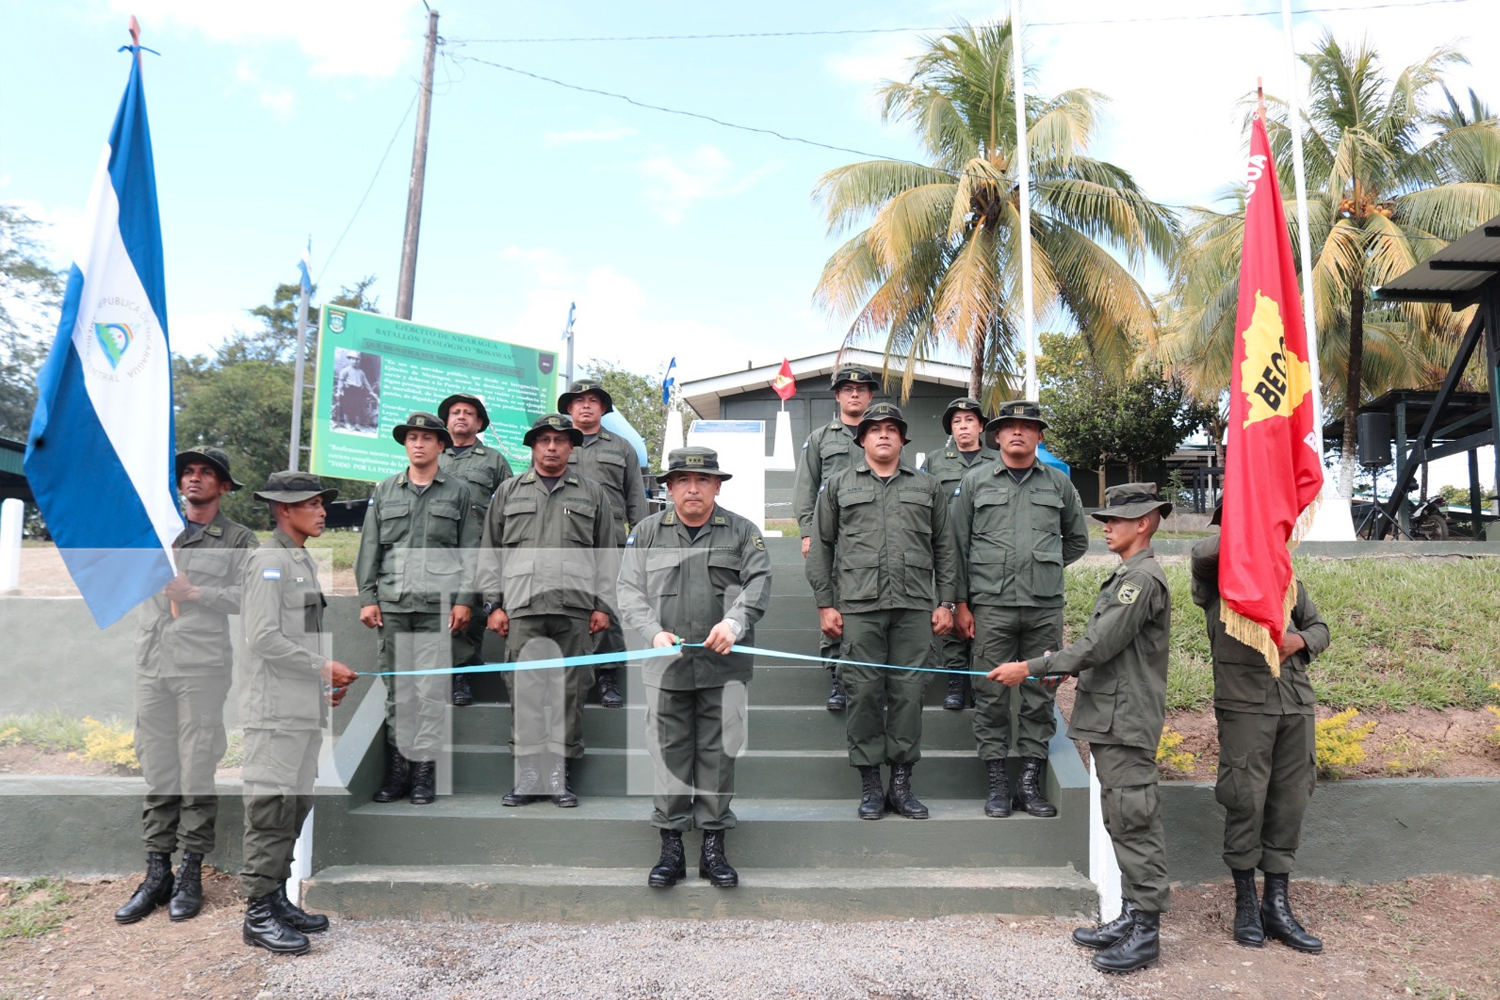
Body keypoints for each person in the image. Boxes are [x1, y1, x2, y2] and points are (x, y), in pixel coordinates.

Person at [990, 483, 1173, 974]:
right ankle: (1132, 916)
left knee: (1134, 818)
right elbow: (1102, 648)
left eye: (1116, 519)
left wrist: (1030, 666)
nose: (1107, 527)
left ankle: (1147, 932)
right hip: (1114, 715)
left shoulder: (1141, 580)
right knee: (1120, 818)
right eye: (1106, 520)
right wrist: (1060, 666)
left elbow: (1099, 644)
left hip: (1127, 718)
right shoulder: (1126, 576)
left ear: (1145, 523)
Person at [617, 447, 772, 889]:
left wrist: (734, 622)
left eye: (703, 480)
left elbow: (759, 582)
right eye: (682, 480)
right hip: (665, 666)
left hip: (725, 666)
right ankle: (670, 846)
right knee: (667, 755)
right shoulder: (646, 532)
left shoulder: (742, 532)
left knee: (719, 756)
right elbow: (628, 591)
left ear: (717, 485)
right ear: (668, 487)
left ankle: (712, 846)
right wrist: (651, 632)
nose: (692, 488)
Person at [116, 448, 258, 926]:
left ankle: (190, 870)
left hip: (201, 668)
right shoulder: (157, 533)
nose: (195, 479)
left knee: (196, 767)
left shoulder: (238, 539)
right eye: (188, 473)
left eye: (207, 473)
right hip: (152, 664)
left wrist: (196, 592)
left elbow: (253, 597)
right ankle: (156, 872)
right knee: (157, 767)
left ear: (223, 486)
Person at [806, 402, 958, 821]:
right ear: (863, 440)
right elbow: (821, 548)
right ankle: (871, 785)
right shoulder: (838, 486)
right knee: (865, 694)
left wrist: (946, 602)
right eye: (875, 430)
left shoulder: (927, 487)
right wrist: (825, 603)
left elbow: (946, 549)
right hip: (858, 606)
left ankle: (902, 785)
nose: (884, 435)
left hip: (913, 608)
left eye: (892, 429)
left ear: (903, 440)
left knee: (909, 695)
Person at [1191, 503, 1329, 954]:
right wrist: (1245, 524)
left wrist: (1301, 640)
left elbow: (1320, 627)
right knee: (1245, 800)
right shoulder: (1218, 576)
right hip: (1245, 705)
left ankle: (1276, 903)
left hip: (1295, 705)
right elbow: (1203, 552)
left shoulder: (1286, 576)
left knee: (1289, 801)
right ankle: (1246, 902)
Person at [238, 471, 359, 955]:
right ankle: (257, 914)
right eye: (312, 503)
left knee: (294, 805)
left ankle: (276, 897)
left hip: (301, 708)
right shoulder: (268, 561)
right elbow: (263, 638)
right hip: (275, 713)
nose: (323, 510)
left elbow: (298, 637)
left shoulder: (301, 560)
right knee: (270, 808)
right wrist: (322, 666)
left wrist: (322, 683)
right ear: (283, 509)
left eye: (322, 503)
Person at [951, 400, 1089, 819]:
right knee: (991, 694)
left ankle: (1029, 782)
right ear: (996, 436)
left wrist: (1041, 565)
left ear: (1039, 436)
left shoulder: (1059, 484)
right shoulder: (975, 482)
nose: (1017, 433)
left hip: (1044, 607)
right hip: (990, 606)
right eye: (1009, 427)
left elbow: (1076, 540)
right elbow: (956, 545)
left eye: (1027, 427)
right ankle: (997, 783)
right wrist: (960, 603)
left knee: (1039, 694)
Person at [480, 413, 613, 807]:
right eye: (544, 440)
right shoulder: (508, 492)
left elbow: (608, 553)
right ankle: (528, 774)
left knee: (570, 693)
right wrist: (493, 604)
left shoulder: (592, 493)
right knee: (525, 691)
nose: (552, 447)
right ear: (533, 446)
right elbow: (490, 552)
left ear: (572, 447)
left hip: (574, 609)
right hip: (521, 608)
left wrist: (603, 605)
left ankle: (559, 773)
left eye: (560, 440)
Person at [355, 412, 482, 806]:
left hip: (437, 609)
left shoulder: (458, 492)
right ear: (405, 444)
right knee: (399, 692)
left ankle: (424, 773)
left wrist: (464, 600)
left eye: (427, 438)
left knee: (429, 691)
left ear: (441, 446)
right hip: (393, 605)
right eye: (412, 437)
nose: (419, 444)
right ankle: (398, 773)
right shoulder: (385, 490)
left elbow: (471, 551)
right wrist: (366, 597)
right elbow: (371, 548)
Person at [792, 363, 881, 712]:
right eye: (847, 389)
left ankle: (874, 675)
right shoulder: (820, 438)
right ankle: (839, 679)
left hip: (877, 533)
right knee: (833, 602)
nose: (854, 393)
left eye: (861, 389)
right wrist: (806, 530)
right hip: (832, 533)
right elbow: (806, 487)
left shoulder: (883, 431)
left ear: (870, 395)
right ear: (838, 396)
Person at [558, 378, 647, 710]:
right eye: (578, 401)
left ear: (603, 409)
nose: (585, 405)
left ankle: (608, 676)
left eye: (593, 400)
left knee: (607, 608)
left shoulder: (622, 447)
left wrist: (639, 543)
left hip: (611, 543)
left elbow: (636, 498)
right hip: (565, 540)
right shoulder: (556, 443)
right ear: (569, 408)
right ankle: (573, 675)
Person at [917, 397, 997, 712]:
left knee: (982, 615)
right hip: (947, 549)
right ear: (951, 428)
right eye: (956, 422)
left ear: (980, 426)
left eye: (969, 420)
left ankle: (979, 680)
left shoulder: (997, 460)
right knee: (949, 610)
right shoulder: (936, 462)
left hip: (986, 549)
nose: (963, 426)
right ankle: (955, 679)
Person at [437, 392, 514, 707]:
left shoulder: (493, 460)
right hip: (438, 548)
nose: (461, 417)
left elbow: (511, 503)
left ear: (479, 422)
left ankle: (464, 674)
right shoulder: (434, 456)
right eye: (455, 412)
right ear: (446, 420)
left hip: (480, 547)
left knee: (471, 611)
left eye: (469, 413)